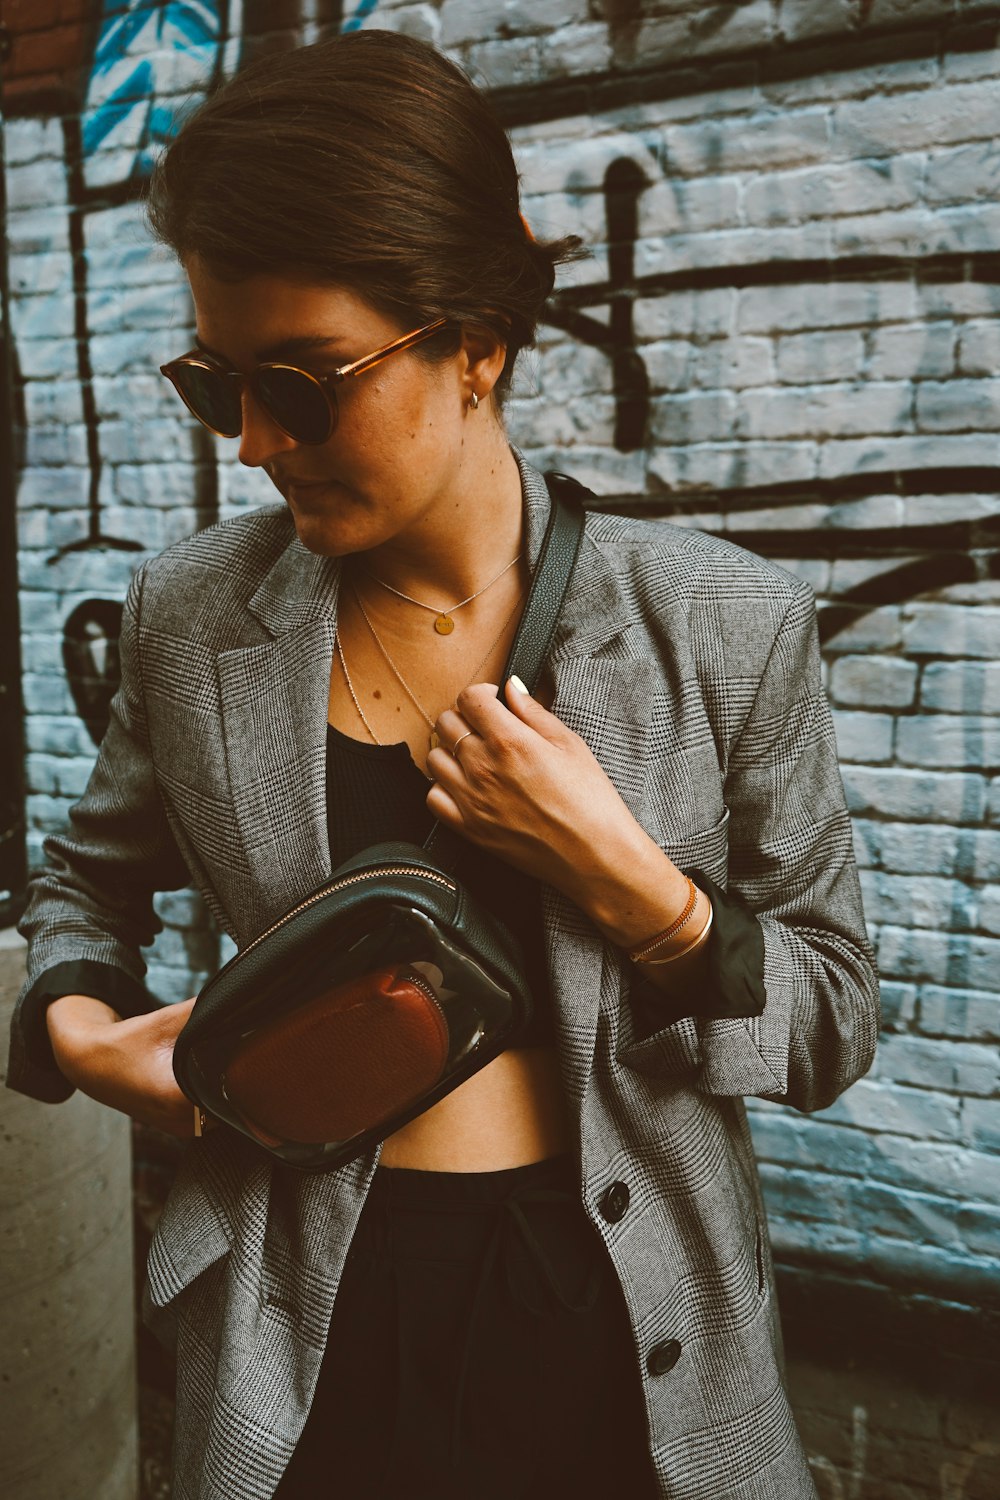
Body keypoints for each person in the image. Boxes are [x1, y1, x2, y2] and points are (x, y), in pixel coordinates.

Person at [7, 29, 879, 1500]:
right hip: (303, 1314)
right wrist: (84, 1039)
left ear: (475, 339)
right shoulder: (193, 614)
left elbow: (833, 1019)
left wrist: (640, 892)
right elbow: (79, 894)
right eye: (218, 388)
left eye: (305, 379)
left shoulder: (719, 622)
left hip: (616, 1312)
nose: (258, 444)